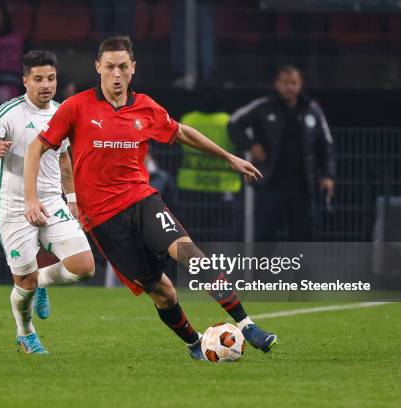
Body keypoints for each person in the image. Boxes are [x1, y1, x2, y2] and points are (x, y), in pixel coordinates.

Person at [23, 36, 278, 360]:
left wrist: (229, 157)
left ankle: (246, 323)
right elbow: (37, 147)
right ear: (98, 67)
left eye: (123, 67)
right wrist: (32, 199)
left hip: (142, 200)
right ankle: (193, 344)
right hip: (104, 219)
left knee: (191, 254)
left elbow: (182, 132)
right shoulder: (77, 107)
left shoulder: (145, 107)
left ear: (133, 69)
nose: (117, 74)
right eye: (111, 67)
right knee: (163, 292)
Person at [0, 51, 95, 354]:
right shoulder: (9, 112)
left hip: (51, 201)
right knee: (23, 283)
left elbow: (64, 158)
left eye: (50, 78)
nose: (45, 85)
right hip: (14, 207)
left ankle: (43, 283)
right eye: (38, 79)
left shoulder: (62, 112)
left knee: (84, 268)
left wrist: (73, 199)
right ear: (25, 81)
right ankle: (25, 332)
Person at [228, 65, 336, 242]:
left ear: (300, 85)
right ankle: (262, 270)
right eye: (285, 83)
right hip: (270, 182)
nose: (289, 87)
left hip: (303, 184)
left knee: (303, 234)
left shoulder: (312, 109)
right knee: (264, 234)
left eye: (294, 83)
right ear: (277, 84)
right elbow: (233, 123)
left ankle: (298, 269)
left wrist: (328, 175)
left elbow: (326, 144)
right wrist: (250, 145)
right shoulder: (263, 106)